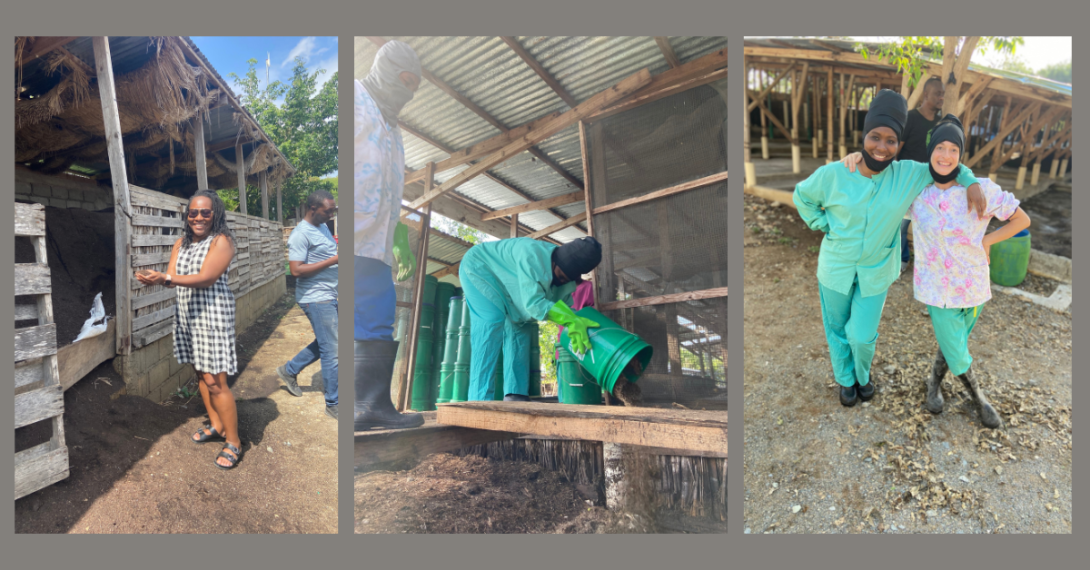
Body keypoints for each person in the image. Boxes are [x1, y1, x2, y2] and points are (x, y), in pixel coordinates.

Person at [793, 89, 986, 408]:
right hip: (835, 267)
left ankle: (862, 374)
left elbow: (945, 164)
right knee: (837, 328)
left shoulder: (908, 174)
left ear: (899, 144)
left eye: (891, 140)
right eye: (875, 137)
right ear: (864, 136)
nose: (882, 147)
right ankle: (846, 380)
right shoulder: (836, 173)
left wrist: (972, 180)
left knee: (862, 335)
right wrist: (824, 225)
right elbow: (802, 196)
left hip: (877, 270)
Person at [905, 115, 1028, 429]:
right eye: (940, 148)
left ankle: (933, 385)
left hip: (973, 286)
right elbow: (881, 186)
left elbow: (1021, 220)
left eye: (954, 150)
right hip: (936, 288)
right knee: (957, 350)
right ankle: (979, 398)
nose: (946, 155)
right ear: (930, 151)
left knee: (953, 342)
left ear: (961, 156)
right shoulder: (917, 192)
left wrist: (987, 240)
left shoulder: (981, 189)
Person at [136, 190, 242, 469]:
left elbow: (206, 278)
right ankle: (216, 425)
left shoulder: (222, 241)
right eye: (193, 213)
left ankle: (234, 441)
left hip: (212, 315)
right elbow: (173, 275)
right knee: (200, 373)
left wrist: (166, 278)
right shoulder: (180, 243)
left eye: (205, 212)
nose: (198, 218)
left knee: (215, 381)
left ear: (215, 214)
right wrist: (155, 278)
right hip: (187, 314)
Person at [353, 40, 425, 431]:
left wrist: (399, 239)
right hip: (349, 238)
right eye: (404, 80)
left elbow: (389, 192)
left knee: (380, 316)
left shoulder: (394, 130)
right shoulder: (352, 99)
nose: (408, 91)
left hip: (377, 245)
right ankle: (355, 407)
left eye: (414, 85)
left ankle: (372, 405)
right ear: (385, 70)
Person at [460, 236, 619, 403]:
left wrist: (579, 324)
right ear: (554, 262)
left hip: (510, 290)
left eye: (566, 280)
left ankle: (515, 396)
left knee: (521, 329)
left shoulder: (566, 283)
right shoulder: (531, 255)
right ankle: (478, 400)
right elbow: (534, 305)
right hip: (480, 269)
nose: (561, 282)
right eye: (560, 276)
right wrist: (569, 319)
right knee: (491, 322)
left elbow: (566, 310)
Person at [277, 190, 339, 419]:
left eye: (333, 210)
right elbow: (296, 270)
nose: (331, 215)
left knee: (329, 342)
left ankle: (289, 370)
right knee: (334, 351)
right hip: (315, 297)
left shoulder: (322, 226)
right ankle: (334, 403)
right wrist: (335, 260)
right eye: (328, 211)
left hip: (329, 294)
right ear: (313, 209)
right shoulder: (300, 234)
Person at [897, 77, 946, 274]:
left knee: (930, 227)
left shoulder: (941, 124)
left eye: (943, 94)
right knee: (901, 225)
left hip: (931, 186)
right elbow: (896, 150)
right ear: (926, 94)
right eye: (937, 93)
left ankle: (928, 266)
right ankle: (902, 260)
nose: (941, 97)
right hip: (907, 183)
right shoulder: (910, 118)